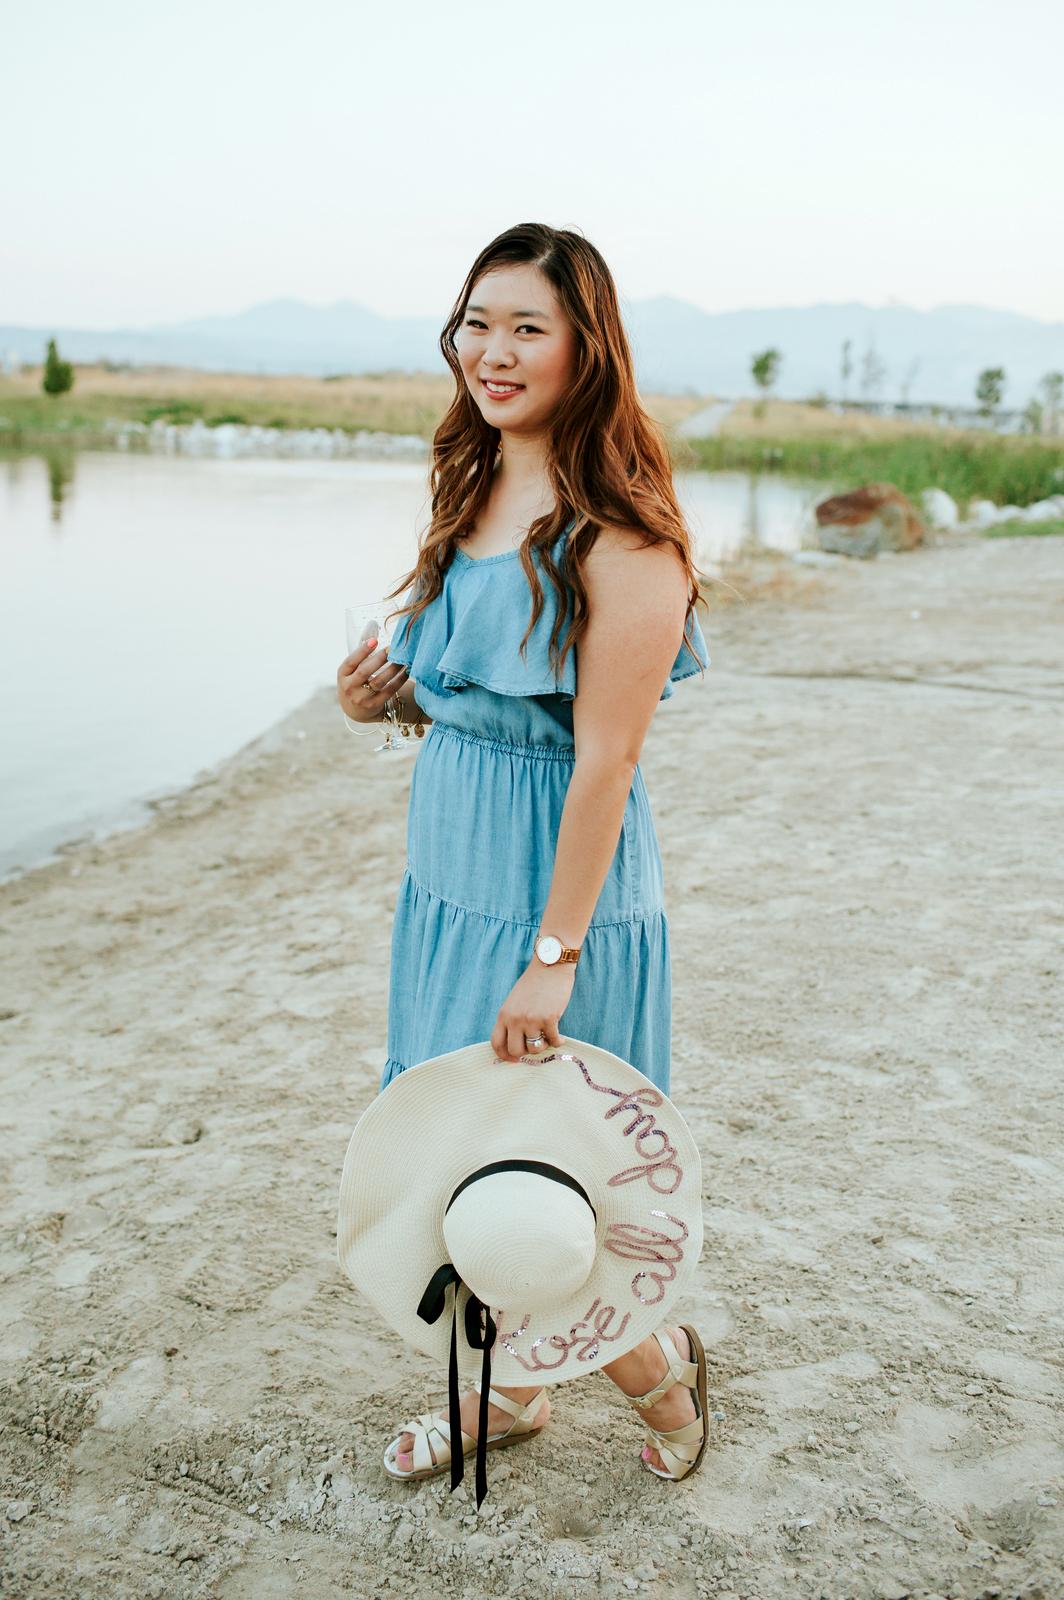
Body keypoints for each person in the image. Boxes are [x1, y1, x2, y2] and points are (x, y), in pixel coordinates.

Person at [336, 223, 709, 1484]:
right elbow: (475, 700)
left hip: (560, 897)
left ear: (583, 348)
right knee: (453, 1155)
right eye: (475, 323)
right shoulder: (471, 484)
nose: (490, 353)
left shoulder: (625, 537)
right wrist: (382, 701)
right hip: (449, 883)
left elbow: (602, 762)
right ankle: (515, 1396)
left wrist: (552, 956)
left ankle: (662, 1384)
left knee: (556, 1173)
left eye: (525, 328)